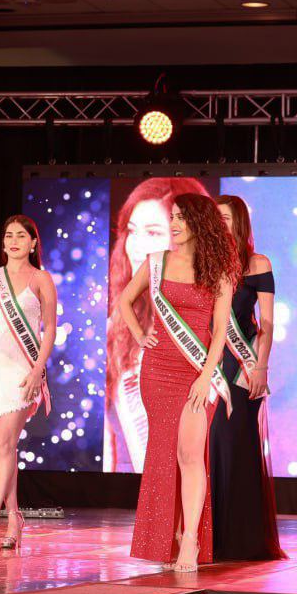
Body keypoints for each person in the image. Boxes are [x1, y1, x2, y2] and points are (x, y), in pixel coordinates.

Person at [116, 193, 238, 571]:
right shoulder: (156, 262)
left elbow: (220, 332)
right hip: (157, 370)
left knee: (190, 455)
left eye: (182, 217)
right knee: (165, 455)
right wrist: (140, 334)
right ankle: (166, 539)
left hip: (197, 372)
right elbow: (125, 300)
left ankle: (190, 539)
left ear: (200, 223)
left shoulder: (218, 270)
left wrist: (205, 377)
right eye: (173, 217)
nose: (174, 224)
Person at [106, 177, 211, 472]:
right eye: (131, 231)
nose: (136, 246)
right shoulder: (117, 328)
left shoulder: (207, 315)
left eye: (153, 232)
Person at [0, 215, 57, 551]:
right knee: (3, 448)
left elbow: (49, 329)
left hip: (22, 371)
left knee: (6, 445)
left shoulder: (41, 279)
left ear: (33, 243)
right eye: (9, 235)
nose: (14, 241)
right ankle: (15, 517)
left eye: (21, 236)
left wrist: (38, 370)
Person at [211, 195, 284, 560]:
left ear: (239, 222)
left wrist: (261, 366)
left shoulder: (257, 264)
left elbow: (267, 321)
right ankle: (210, 534)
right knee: (210, 445)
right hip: (207, 364)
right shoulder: (204, 263)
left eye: (225, 218)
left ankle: (240, 537)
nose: (219, 225)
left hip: (242, 367)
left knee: (235, 443)